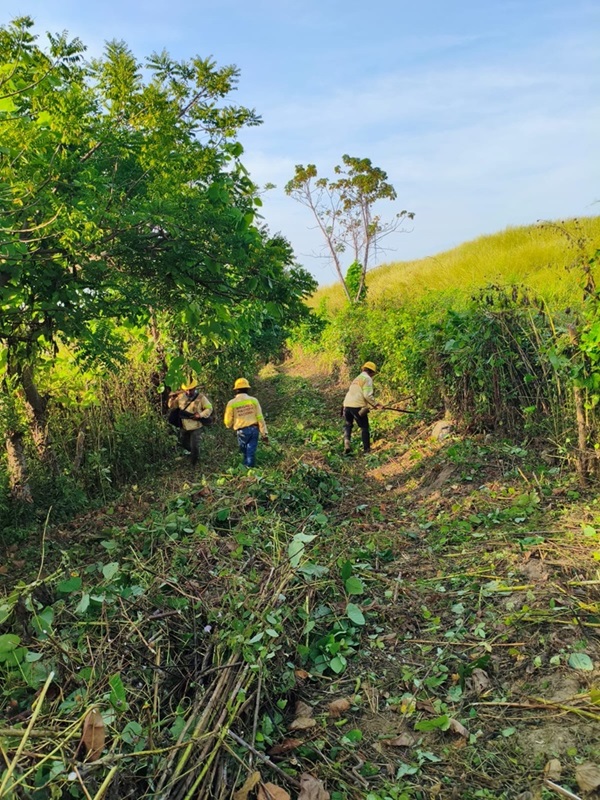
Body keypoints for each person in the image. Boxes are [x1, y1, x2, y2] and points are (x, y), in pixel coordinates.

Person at [224, 378, 268, 468]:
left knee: (245, 452)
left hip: (241, 432)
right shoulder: (253, 400)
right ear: (247, 389)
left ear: (236, 390)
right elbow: (260, 417)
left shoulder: (231, 403)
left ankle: (247, 471)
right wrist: (264, 433)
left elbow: (228, 420)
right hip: (254, 430)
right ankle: (249, 471)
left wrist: (228, 425)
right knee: (250, 452)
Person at [168, 381, 213, 466]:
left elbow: (209, 408)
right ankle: (194, 454)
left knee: (195, 445)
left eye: (191, 390)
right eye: (187, 390)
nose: (188, 392)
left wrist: (200, 415)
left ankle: (194, 464)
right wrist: (172, 399)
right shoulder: (180, 397)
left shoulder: (201, 397)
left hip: (196, 426)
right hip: (184, 425)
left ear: (195, 388)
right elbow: (172, 406)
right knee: (184, 443)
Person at [342, 361, 380, 455]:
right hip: (357, 406)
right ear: (371, 372)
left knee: (348, 425)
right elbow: (367, 395)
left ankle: (347, 443)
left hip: (346, 404)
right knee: (364, 427)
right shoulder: (367, 379)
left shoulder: (357, 378)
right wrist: (376, 404)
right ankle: (366, 450)